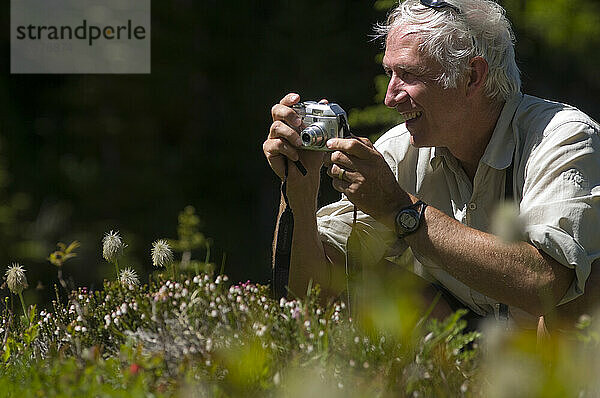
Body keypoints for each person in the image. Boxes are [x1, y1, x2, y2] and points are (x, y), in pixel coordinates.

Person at [262, 0, 600, 329]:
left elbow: (545, 284)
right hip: (465, 350)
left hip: (552, 364)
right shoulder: (399, 150)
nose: (390, 97)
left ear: (472, 75)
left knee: (583, 289)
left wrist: (400, 209)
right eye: (389, 73)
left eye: (408, 74)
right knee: (356, 275)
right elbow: (308, 295)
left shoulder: (563, 136)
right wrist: (299, 188)